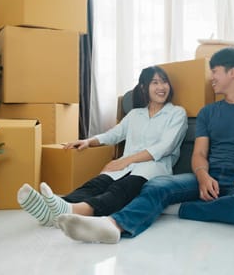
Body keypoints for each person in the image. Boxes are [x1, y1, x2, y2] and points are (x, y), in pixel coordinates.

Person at [55, 47, 234, 243]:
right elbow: (200, 154)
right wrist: (203, 175)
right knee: (156, 186)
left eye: (214, 72)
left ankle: (179, 209)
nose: (211, 78)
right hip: (206, 177)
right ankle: (115, 226)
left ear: (232, 72)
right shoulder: (209, 112)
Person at [17, 66, 188, 226]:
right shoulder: (136, 114)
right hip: (125, 166)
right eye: (155, 82)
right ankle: (55, 208)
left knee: (119, 189)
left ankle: (74, 211)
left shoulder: (177, 113)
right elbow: (114, 134)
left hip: (154, 169)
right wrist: (88, 141)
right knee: (96, 184)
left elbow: (164, 147)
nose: (161, 87)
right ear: (144, 87)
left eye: (164, 81)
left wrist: (124, 161)